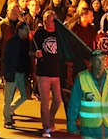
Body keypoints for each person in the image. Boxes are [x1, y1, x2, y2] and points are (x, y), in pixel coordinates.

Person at [67, 50, 108, 139]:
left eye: (103, 59)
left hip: (107, 130)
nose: (101, 62)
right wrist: (71, 124)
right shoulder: (82, 78)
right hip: (88, 131)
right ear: (91, 62)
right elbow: (74, 104)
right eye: (97, 60)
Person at [31, 10, 63, 138]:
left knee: (58, 99)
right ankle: (46, 127)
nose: (54, 22)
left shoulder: (59, 34)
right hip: (43, 72)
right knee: (45, 101)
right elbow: (30, 51)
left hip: (56, 72)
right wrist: (35, 54)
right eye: (51, 20)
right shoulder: (39, 35)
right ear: (45, 21)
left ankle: (50, 118)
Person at [3, 21, 31, 129]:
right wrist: (7, 72)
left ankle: (10, 109)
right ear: (19, 30)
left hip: (21, 72)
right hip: (13, 72)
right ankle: (7, 120)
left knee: (24, 95)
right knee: (8, 97)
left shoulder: (26, 42)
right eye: (25, 30)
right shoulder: (12, 42)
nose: (27, 32)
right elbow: (7, 58)